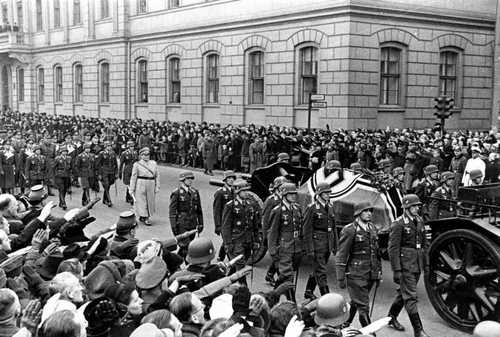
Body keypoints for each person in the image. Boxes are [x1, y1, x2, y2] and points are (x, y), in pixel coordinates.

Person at [387, 194, 430, 337]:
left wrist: (426, 263)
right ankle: (419, 331)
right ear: (406, 207)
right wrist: (397, 270)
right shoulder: (399, 224)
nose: (417, 208)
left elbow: (424, 244)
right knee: (411, 297)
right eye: (414, 206)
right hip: (405, 266)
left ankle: (391, 317)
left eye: (418, 206)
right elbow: (393, 249)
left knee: (404, 293)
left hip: (417, 264)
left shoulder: (419, 220)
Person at [336, 201, 381, 327]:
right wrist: (340, 277)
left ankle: (344, 324)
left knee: (357, 301)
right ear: (358, 213)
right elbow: (341, 254)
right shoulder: (350, 230)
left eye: (370, 211)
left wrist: (378, 272)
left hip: (370, 274)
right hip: (356, 274)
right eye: (365, 211)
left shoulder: (372, 228)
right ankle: (370, 333)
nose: (369, 214)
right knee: (363, 307)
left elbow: (376, 253)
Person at [268, 182, 303, 302]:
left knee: (284, 277)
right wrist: (273, 251)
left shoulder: (297, 208)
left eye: (294, 194)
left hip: (296, 247)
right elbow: (272, 232)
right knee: (288, 277)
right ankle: (292, 304)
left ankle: (272, 298)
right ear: (284, 195)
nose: (293, 196)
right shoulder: (278, 211)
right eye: (290, 194)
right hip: (284, 248)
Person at [221, 179, 260, 283]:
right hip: (236, 241)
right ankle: (244, 290)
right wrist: (227, 243)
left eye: (247, 190)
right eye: (244, 191)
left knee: (236, 268)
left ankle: (224, 283)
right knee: (241, 268)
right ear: (237, 192)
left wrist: (256, 240)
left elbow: (255, 225)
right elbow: (225, 227)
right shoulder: (230, 206)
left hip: (248, 241)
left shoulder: (250, 205)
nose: (246, 193)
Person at [303, 182, 337, 299]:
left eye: (329, 193)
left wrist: (335, 246)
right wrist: (310, 249)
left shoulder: (331, 207)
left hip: (327, 244)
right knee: (321, 271)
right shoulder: (312, 208)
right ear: (319, 194)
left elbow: (333, 228)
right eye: (325, 193)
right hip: (317, 244)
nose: (328, 195)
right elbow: (307, 230)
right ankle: (326, 297)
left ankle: (308, 291)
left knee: (318, 269)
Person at [169, 171, 203, 259]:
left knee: (186, 248)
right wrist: (173, 226)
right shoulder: (177, 193)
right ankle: (189, 266)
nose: (190, 181)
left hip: (192, 223)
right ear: (182, 180)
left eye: (191, 179)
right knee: (187, 247)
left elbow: (199, 210)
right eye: (188, 179)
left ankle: (175, 264)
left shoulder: (195, 192)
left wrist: (201, 223)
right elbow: (172, 212)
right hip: (182, 224)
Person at [263, 176, 288, 286]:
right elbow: (265, 220)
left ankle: (270, 274)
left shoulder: (284, 199)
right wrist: (265, 237)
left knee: (279, 253)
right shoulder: (271, 200)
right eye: (282, 186)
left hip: (282, 232)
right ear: (277, 187)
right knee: (277, 255)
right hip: (273, 232)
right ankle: (281, 280)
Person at [129, 147, 160, 226]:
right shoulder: (137, 164)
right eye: (144, 155)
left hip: (151, 183)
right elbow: (133, 177)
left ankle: (145, 215)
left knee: (150, 200)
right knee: (141, 200)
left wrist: (157, 186)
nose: (146, 156)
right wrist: (132, 189)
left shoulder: (153, 163)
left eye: (148, 155)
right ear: (141, 155)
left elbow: (157, 176)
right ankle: (145, 217)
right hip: (140, 182)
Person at [213, 170, 236, 262]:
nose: (231, 180)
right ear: (225, 180)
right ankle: (231, 261)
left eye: (232, 178)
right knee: (227, 241)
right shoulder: (220, 192)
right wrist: (218, 225)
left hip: (232, 221)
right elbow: (216, 210)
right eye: (229, 178)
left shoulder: (234, 191)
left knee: (227, 240)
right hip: (223, 222)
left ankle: (220, 258)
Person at [96, 140, 119, 207]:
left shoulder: (113, 153)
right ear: (105, 146)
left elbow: (116, 164)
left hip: (111, 171)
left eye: (110, 146)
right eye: (108, 146)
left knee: (109, 184)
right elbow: (98, 164)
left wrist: (116, 172)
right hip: (104, 171)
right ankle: (109, 200)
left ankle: (104, 199)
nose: (110, 147)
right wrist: (99, 174)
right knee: (106, 184)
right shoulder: (101, 153)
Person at [119, 140, 139, 204]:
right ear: (128, 147)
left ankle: (128, 197)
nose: (132, 148)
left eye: (133, 146)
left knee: (133, 184)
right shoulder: (124, 153)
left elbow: (138, 162)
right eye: (130, 146)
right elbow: (121, 164)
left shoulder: (136, 153)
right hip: (127, 170)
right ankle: (130, 197)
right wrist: (120, 172)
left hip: (134, 170)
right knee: (129, 184)